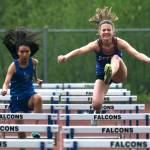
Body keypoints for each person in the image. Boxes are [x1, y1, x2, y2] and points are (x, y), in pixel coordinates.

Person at [57, 6, 150, 124]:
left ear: (113, 32)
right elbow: (80, 50)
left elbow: (136, 53)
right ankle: (98, 111)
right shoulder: (96, 45)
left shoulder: (119, 42)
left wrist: (148, 60)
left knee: (115, 57)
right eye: (104, 30)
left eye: (108, 30)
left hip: (119, 73)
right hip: (102, 76)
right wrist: (65, 56)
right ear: (99, 32)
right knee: (95, 104)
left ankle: (110, 71)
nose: (106, 32)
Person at [1, 28, 43, 141]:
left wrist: (37, 79)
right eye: (22, 52)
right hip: (17, 101)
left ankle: (36, 129)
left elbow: (33, 72)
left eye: (27, 51)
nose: (24, 54)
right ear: (18, 53)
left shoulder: (34, 62)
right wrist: (4, 89)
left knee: (38, 98)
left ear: (30, 52)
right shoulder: (13, 66)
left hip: (29, 97)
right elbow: (6, 83)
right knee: (21, 135)